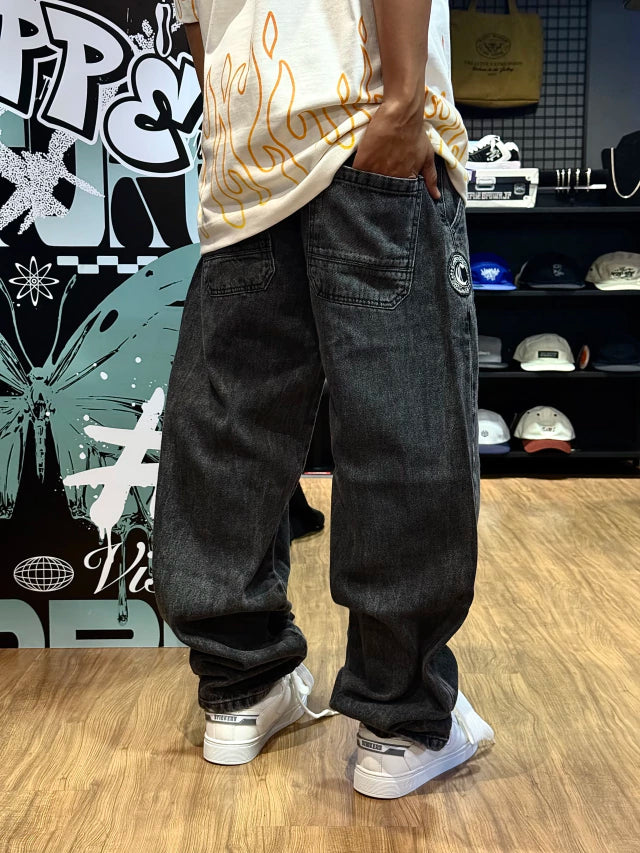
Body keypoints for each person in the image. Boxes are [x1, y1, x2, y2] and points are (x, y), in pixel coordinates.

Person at [154, 0, 495, 799]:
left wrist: (234, 127)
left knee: (231, 428)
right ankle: (399, 720)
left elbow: (195, 18)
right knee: (404, 422)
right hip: (359, 119)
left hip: (249, 145)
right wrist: (404, 102)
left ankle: (241, 687)